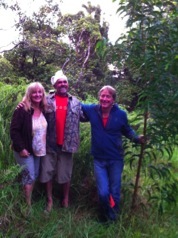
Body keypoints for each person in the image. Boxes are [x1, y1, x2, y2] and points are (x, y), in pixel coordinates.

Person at [82, 85, 145, 222]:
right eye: (102, 96)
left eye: (108, 96)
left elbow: (127, 131)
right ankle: (105, 216)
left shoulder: (120, 114)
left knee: (114, 191)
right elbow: (75, 104)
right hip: (99, 160)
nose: (104, 99)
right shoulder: (92, 110)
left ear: (113, 100)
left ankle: (112, 219)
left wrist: (137, 139)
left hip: (116, 159)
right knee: (103, 192)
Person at [40, 70, 84, 212]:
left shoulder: (76, 102)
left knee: (65, 173)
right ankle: (50, 200)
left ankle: (65, 199)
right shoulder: (46, 100)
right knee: (47, 172)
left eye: (65, 81)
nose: (63, 84)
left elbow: (86, 116)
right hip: (49, 143)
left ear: (68, 84)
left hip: (68, 144)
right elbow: (33, 109)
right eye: (60, 82)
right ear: (55, 85)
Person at [10, 82, 48, 206]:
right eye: (34, 92)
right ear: (29, 94)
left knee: (34, 175)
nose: (37, 94)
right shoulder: (23, 109)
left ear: (43, 94)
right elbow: (14, 130)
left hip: (38, 150)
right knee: (30, 176)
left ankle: (23, 198)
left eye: (40, 92)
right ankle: (27, 207)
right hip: (25, 150)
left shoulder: (43, 108)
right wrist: (21, 148)